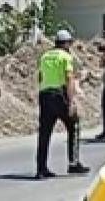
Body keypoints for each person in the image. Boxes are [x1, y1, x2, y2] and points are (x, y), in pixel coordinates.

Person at [35, 30, 88, 180]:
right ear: (66, 44)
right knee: (74, 125)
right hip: (59, 95)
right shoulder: (66, 56)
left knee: (44, 133)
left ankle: (41, 168)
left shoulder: (45, 56)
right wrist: (71, 101)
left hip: (45, 95)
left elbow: (40, 76)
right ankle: (73, 163)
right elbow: (69, 78)